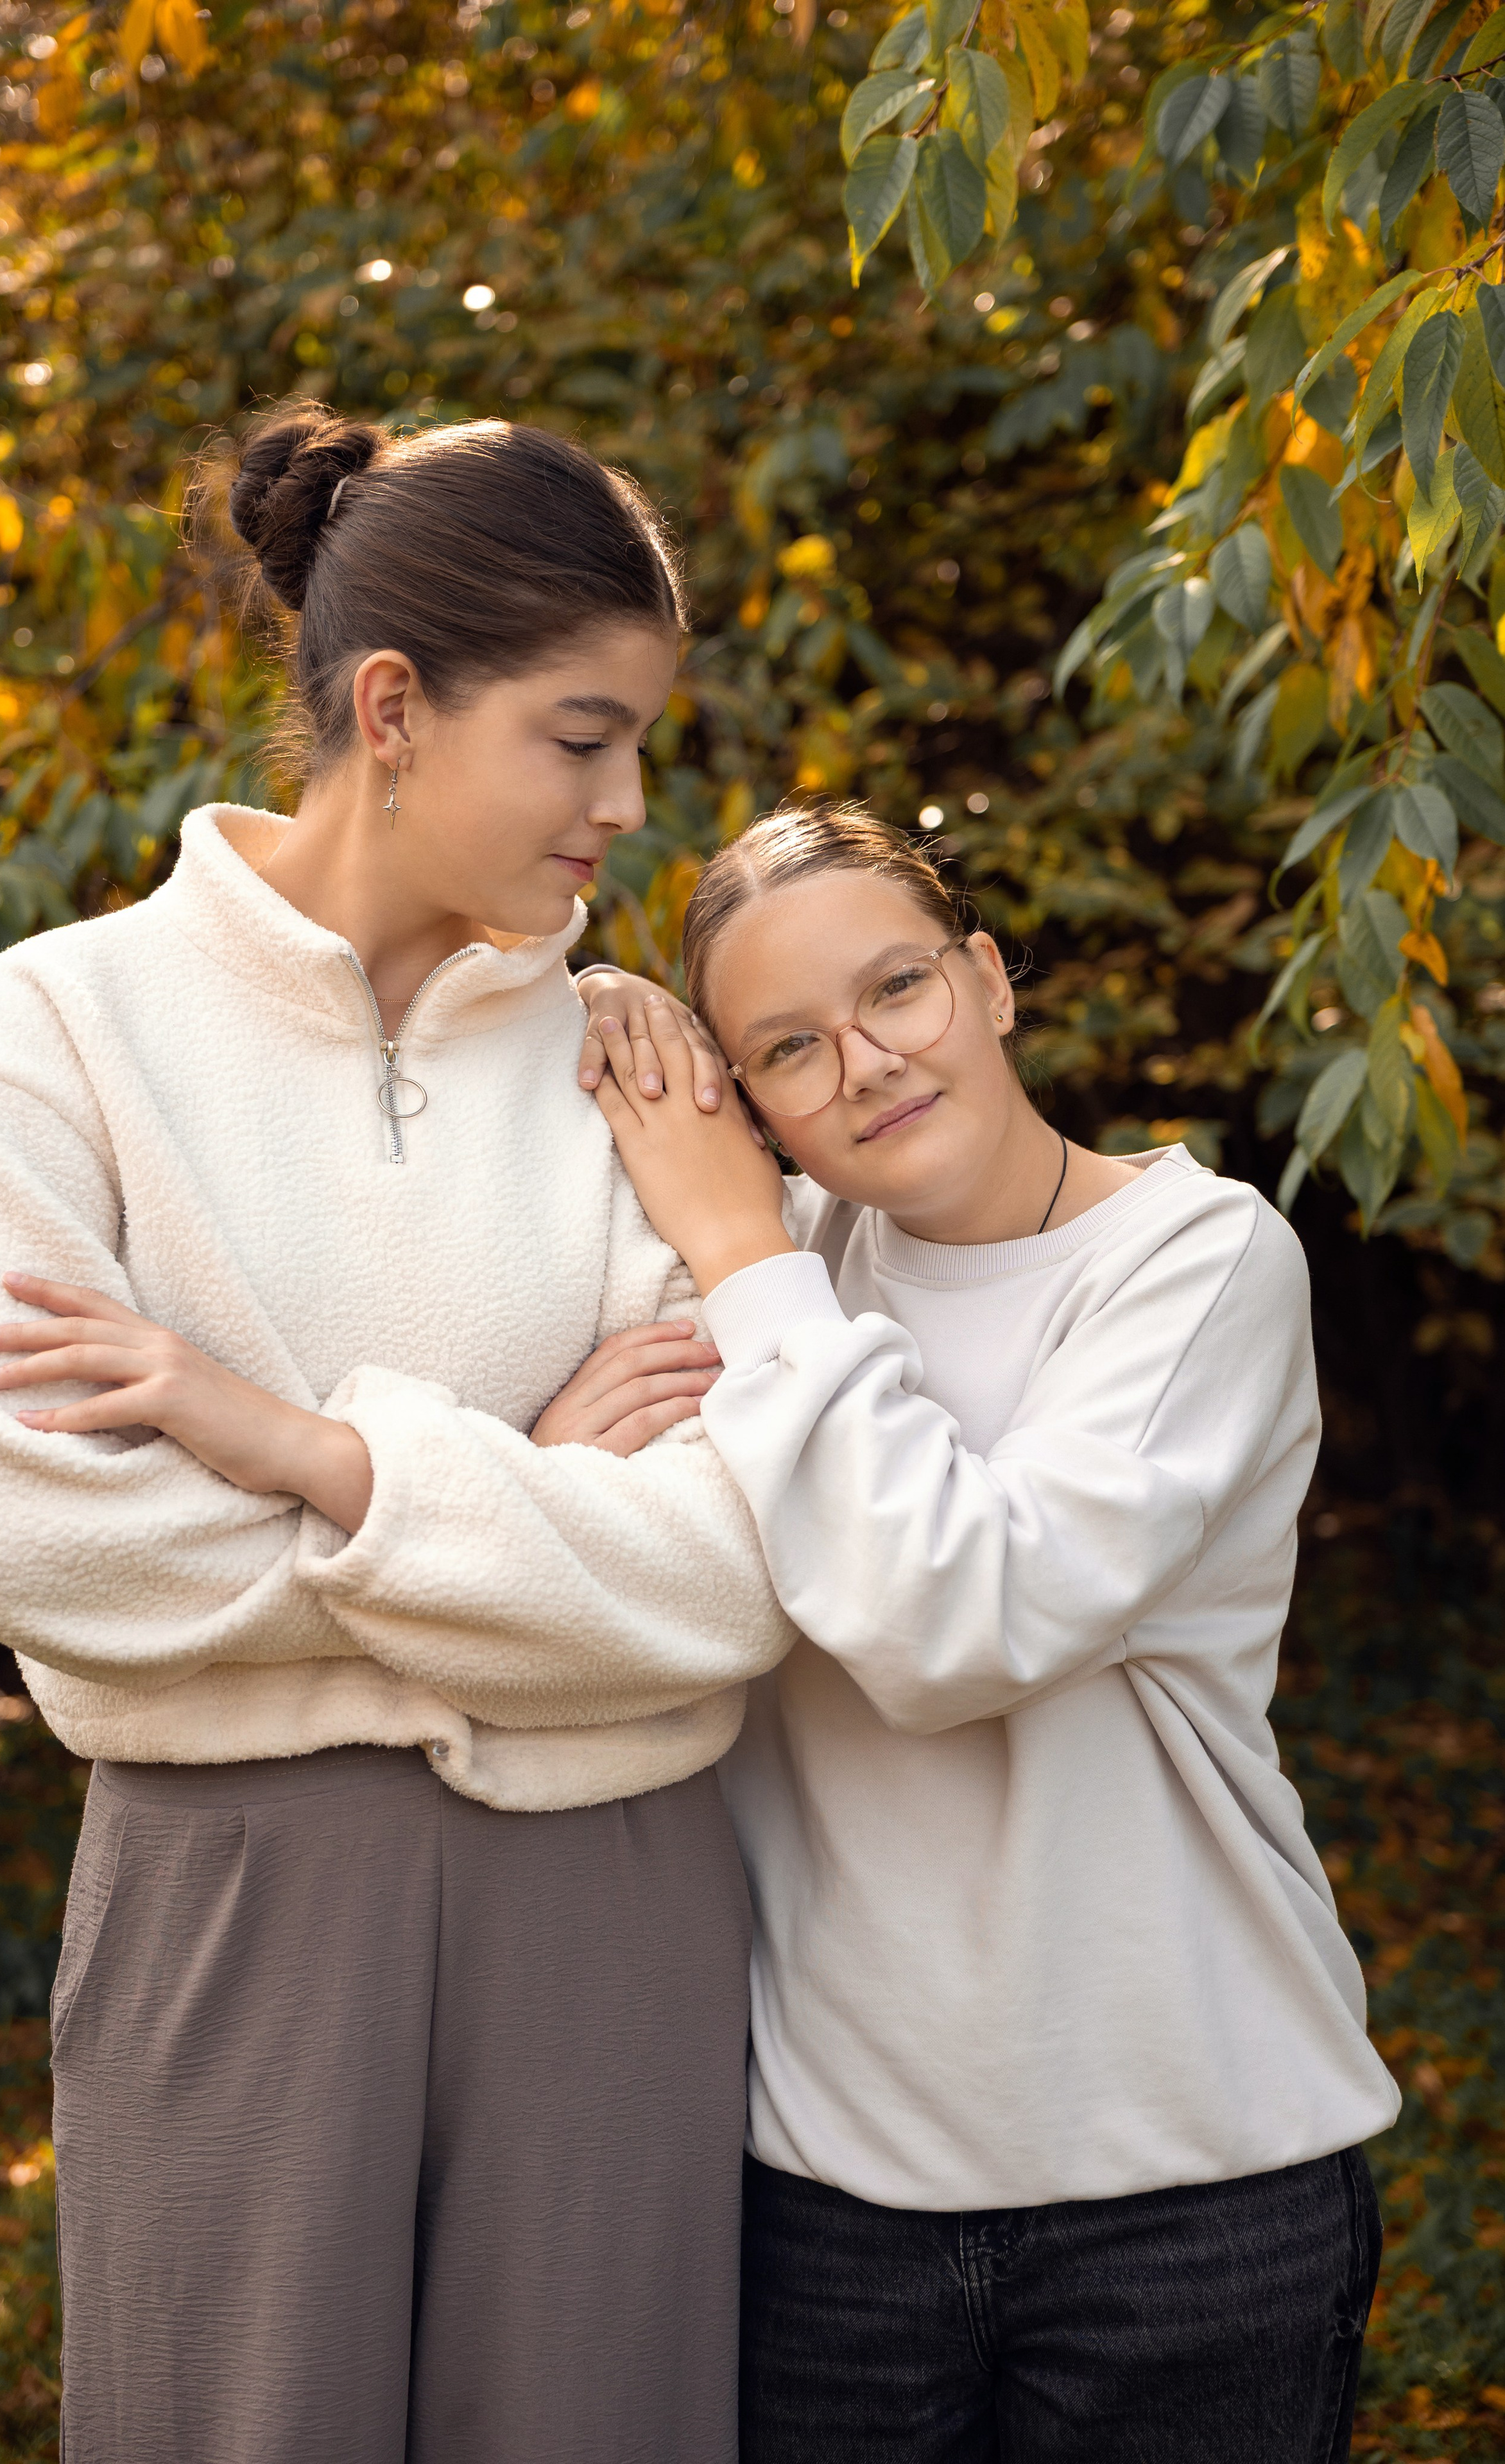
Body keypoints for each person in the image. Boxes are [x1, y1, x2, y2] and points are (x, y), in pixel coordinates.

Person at [0, 406, 796, 2464]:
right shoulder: (60, 1034)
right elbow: (30, 1539)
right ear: (393, 706)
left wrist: (313, 1457)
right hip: (236, 1897)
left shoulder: (634, 1069)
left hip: (614, 1889)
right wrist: (528, 1494)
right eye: (582, 741)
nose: (628, 805)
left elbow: (735, 1570)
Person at [577, 801, 1401, 2464]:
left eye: (900, 991)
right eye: (789, 1049)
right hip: (828, 2198)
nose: (868, 1062)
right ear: (747, 1105)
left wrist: (742, 1245)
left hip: (1195, 2186)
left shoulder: (1196, 1261)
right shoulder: (772, 1281)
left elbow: (962, 1618)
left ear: (993, 979)